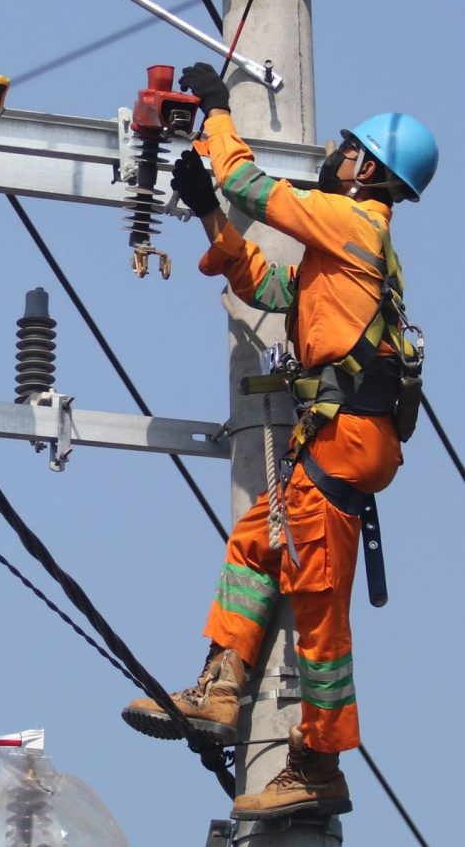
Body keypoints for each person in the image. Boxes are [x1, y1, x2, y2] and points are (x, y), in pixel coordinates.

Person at [121, 63, 437, 819]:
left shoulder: (354, 220)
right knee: (256, 544)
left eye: (346, 149)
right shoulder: (342, 254)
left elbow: (254, 187)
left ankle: (319, 762)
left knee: (319, 603)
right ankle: (222, 687)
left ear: (367, 171)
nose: (333, 153)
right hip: (335, 439)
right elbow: (265, 286)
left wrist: (218, 116)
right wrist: (208, 219)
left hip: (345, 437)